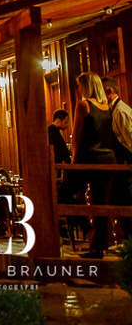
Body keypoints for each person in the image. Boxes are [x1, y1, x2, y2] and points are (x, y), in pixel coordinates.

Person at [59, 72, 117, 258]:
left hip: (88, 158)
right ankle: (97, 247)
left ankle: (87, 229)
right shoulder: (107, 107)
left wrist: (74, 161)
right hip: (107, 159)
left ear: (87, 86)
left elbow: (76, 136)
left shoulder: (84, 105)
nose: (78, 89)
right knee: (101, 204)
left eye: (80, 85)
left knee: (63, 192)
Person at [102, 76, 132, 242]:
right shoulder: (114, 110)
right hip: (120, 165)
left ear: (109, 92)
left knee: (121, 202)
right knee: (116, 201)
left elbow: (130, 140)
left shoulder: (120, 111)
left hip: (125, 166)